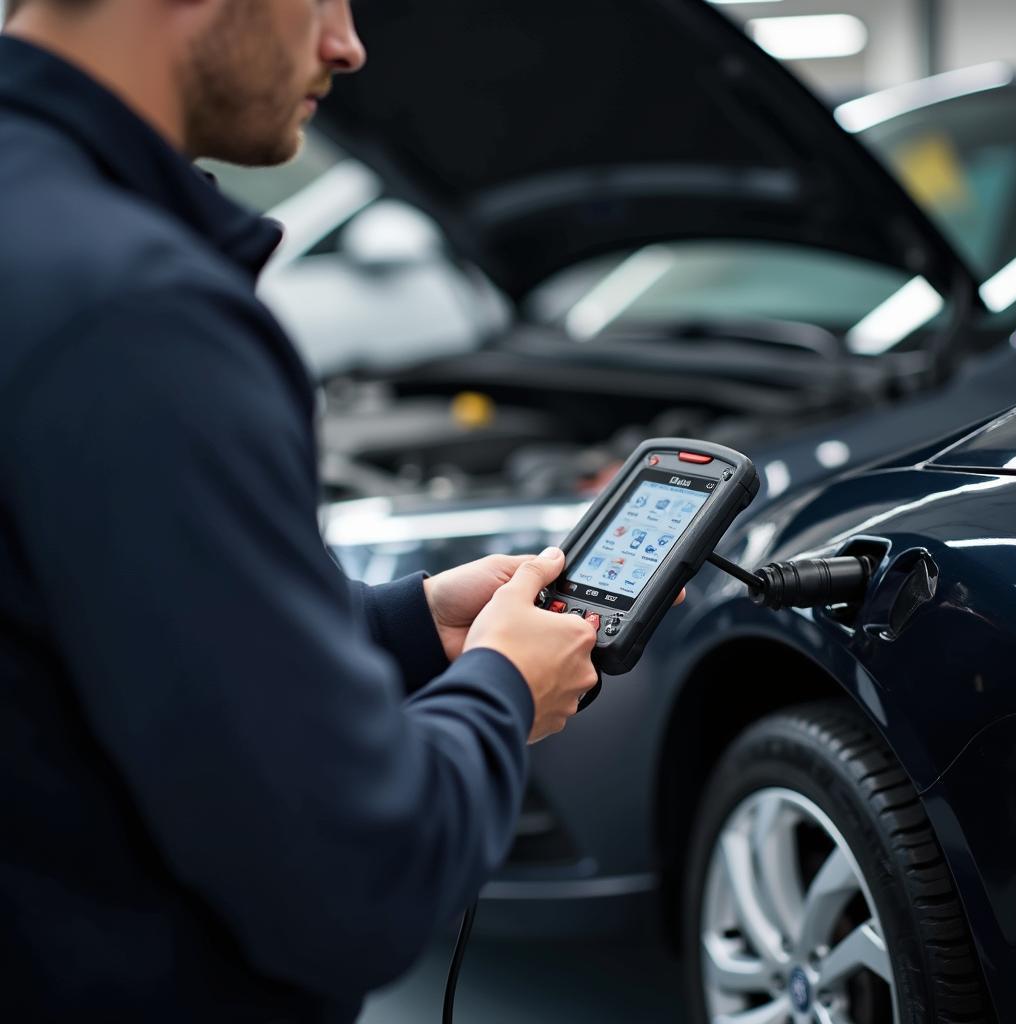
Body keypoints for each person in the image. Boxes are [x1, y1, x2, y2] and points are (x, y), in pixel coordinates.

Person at [0, 0, 640, 1019]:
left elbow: (81, 618)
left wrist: (404, 622)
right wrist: (500, 689)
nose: (346, 46)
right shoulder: (138, 314)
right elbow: (355, 874)